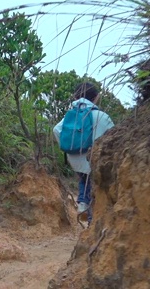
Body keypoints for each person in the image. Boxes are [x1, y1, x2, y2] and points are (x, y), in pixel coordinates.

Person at [53, 82, 114, 224]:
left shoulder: (70, 115)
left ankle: (82, 203)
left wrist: (67, 148)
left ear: (76, 96)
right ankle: (90, 219)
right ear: (96, 97)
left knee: (84, 179)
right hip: (94, 160)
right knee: (95, 189)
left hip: (75, 159)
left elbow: (56, 130)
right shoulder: (101, 116)